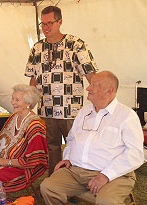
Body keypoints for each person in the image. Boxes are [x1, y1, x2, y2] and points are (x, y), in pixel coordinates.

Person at [40, 71, 144, 205]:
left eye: (94, 85)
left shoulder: (127, 116)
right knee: (48, 187)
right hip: (77, 171)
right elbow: (71, 139)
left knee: (106, 201)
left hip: (115, 175)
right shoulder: (84, 111)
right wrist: (67, 157)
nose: (88, 88)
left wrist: (106, 175)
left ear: (109, 91)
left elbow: (135, 154)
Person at [24, 6, 98, 176]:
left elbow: (90, 74)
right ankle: (54, 183)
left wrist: (99, 101)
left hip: (71, 110)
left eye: (50, 23)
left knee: (76, 146)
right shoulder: (37, 48)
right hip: (46, 109)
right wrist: (29, 104)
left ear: (60, 21)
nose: (46, 27)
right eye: (43, 24)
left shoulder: (76, 44)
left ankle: (75, 182)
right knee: (52, 147)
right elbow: (33, 78)